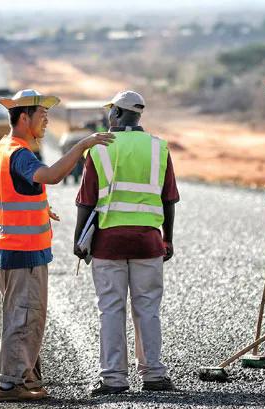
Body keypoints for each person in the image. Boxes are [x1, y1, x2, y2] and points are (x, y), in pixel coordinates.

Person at [0, 89, 113, 402]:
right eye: (42, 116)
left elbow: (12, 194)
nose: (46, 121)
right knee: (25, 316)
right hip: (23, 250)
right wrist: (83, 145)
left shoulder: (1, 150)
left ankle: (26, 376)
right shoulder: (19, 152)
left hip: (10, 247)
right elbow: (52, 176)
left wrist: (40, 208)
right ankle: (10, 385)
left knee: (24, 314)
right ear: (23, 117)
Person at [74, 90, 179, 396]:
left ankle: (113, 379)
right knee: (147, 309)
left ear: (118, 114)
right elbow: (169, 199)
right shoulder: (159, 148)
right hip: (148, 242)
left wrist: (79, 240)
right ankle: (154, 375)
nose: (109, 117)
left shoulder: (99, 149)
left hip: (108, 244)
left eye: (111, 112)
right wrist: (167, 239)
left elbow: (86, 201)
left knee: (111, 309)